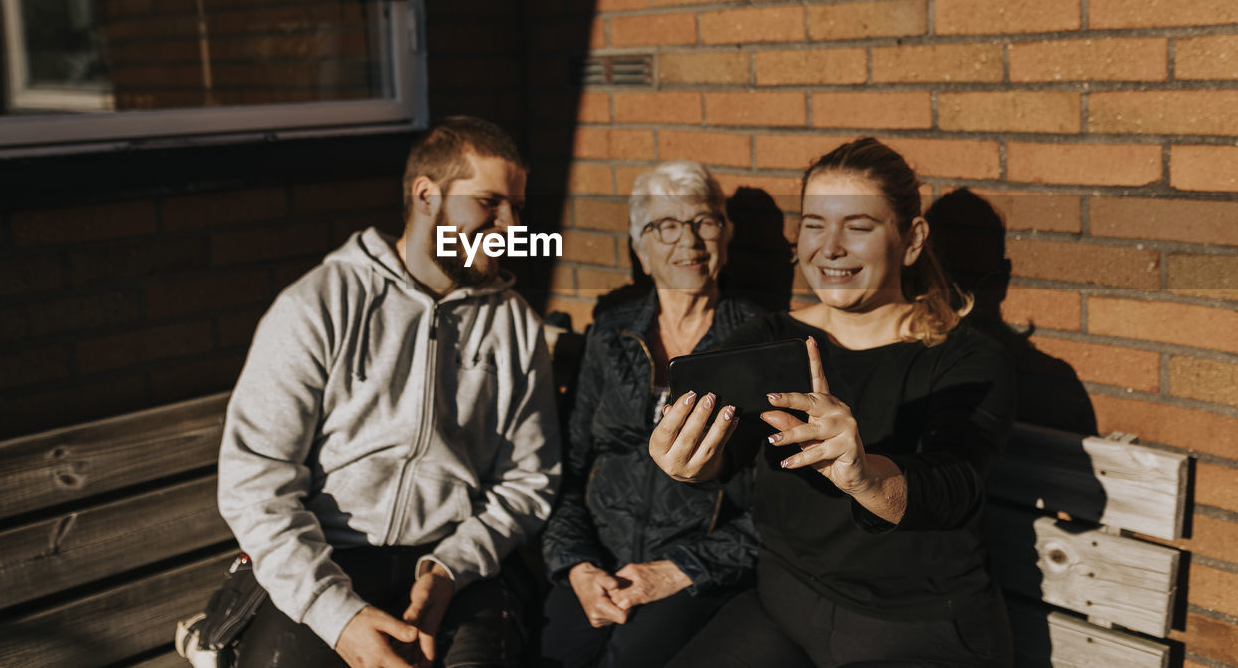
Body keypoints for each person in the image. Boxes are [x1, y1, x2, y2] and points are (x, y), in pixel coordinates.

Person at [649, 138, 1017, 667]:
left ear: (911, 240)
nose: (830, 247)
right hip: (784, 603)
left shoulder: (964, 359)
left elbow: (956, 483)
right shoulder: (771, 338)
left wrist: (862, 472)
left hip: (915, 626)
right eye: (815, 224)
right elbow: (721, 445)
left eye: (859, 226)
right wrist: (687, 459)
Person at [217, 117, 561, 668]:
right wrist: (338, 617)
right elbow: (254, 485)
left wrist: (452, 568)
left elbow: (529, 479)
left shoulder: (514, 326)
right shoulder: (320, 304)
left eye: (517, 208)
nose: (510, 225)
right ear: (427, 195)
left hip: (456, 567)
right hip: (326, 562)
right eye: (490, 203)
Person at [539, 160, 763, 668]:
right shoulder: (609, 335)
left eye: (704, 222)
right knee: (555, 652)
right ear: (640, 250)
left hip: (692, 569)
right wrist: (576, 564)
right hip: (599, 560)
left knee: (632, 657)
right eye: (665, 226)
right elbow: (570, 467)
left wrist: (681, 568)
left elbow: (776, 507)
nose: (689, 241)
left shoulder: (758, 344)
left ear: (726, 239)